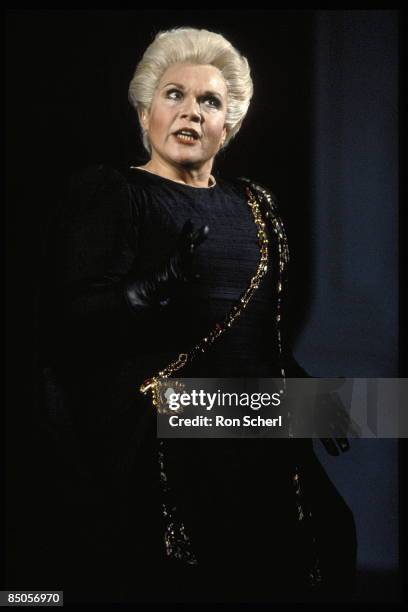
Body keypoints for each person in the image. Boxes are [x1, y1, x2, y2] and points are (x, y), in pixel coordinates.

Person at [40, 27, 357, 603]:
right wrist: (140, 295)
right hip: (163, 429)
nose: (191, 112)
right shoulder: (114, 192)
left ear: (228, 125)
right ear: (144, 113)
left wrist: (311, 397)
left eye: (209, 101)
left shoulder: (255, 204)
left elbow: (265, 333)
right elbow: (68, 324)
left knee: (328, 539)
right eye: (173, 95)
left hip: (255, 422)